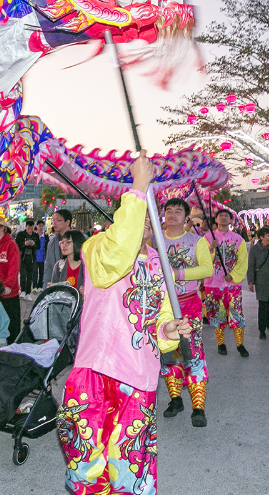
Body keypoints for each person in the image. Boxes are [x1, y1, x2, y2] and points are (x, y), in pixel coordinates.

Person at [57, 151, 190, 495]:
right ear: (123, 213)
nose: (146, 219)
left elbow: (160, 320)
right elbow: (116, 260)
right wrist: (139, 186)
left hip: (140, 375)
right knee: (88, 465)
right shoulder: (96, 247)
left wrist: (169, 330)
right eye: (139, 210)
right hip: (96, 370)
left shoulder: (160, 263)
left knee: (130, 465)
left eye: (150, 213)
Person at [157, 197, 213, 427]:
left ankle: (198, 407)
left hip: (189, 304)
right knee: (169, 354)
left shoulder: (196, 241)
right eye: (168, 210)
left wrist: (178, 274)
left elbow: (207, 269)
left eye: (177, 211)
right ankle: (175, 400)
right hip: (163, 306)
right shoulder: (153, 240)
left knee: (193, 353)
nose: (172, 214)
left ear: (186, 217)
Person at [203, 209, 249, 356]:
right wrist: (211, 249)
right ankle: (221, 343)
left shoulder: (238, 239)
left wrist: (233, 276)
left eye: (226, 216)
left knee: (237, 313)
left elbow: (243, 261)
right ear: (216, 219)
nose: (223, 217)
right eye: (220, 215)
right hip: (213, 284)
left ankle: (240, 344)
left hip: (233, 285)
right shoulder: (207, 238)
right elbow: (202, 260)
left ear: (230, 220)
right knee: (217, 314)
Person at [247, 226, 269, 339]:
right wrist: (250, 282)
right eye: (267, 235)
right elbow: (251, 266)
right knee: (262, 305)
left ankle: (266, 321)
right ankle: (262, 329)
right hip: (261, 281)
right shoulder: (254, 250)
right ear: (261, 237)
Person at [48, 230, 87, 295]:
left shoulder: (87, 266)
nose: (64, 245)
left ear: (77, 243)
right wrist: (52, 289)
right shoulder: (59, 266)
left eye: (68, 242)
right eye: (62, 242)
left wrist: (86, 292)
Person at [42, 209, 72, 290]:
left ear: (67, 222)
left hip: (75, 285)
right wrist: (46, 289)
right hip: (57, 286)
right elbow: (48, 267)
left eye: (58, 220)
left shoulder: (80, 239)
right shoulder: (52, 243)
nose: (54, 223)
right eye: (53, 221)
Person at [15, 220, 40, 297]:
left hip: (32, 258)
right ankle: (23, 290)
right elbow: (16, 245)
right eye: (28, 229)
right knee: (23, 274)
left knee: (30, 276)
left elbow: (38, 246)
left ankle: (28, 292)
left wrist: (34, 244)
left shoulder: (35, 236)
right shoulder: (20, 235)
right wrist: (24, 244)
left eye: (31, 229)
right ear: (26, 227)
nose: (30, 230)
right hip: (22, 258)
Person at [34, 220, 46, 293]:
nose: (41, 227)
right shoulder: (33, 236)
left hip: (42, 257)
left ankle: (40, 286)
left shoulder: (45, 237)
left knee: (42, 272)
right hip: (35, 257)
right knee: (34, 272)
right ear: (37, 226)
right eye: (39, 226)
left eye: (42, 226)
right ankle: (34, 286)